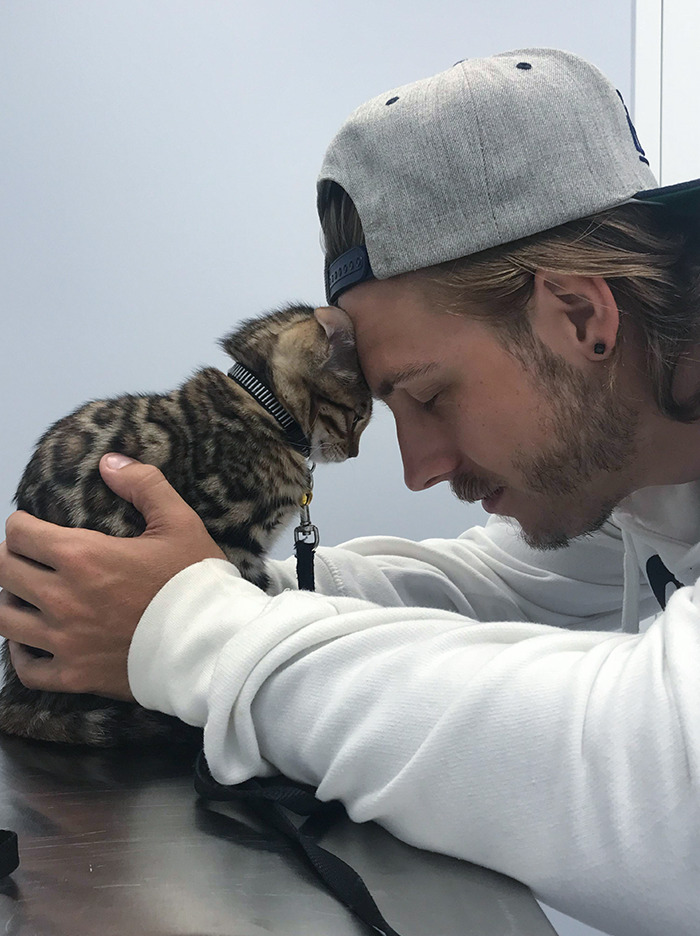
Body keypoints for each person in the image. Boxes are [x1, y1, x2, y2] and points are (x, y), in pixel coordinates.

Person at [0, 47, 698, 936]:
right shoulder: (647, 478)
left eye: (429, 394)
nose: (418, 468)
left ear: (580, 316)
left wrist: (194, 632)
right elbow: (498, 588)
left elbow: (665, 788)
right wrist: (186, 582)